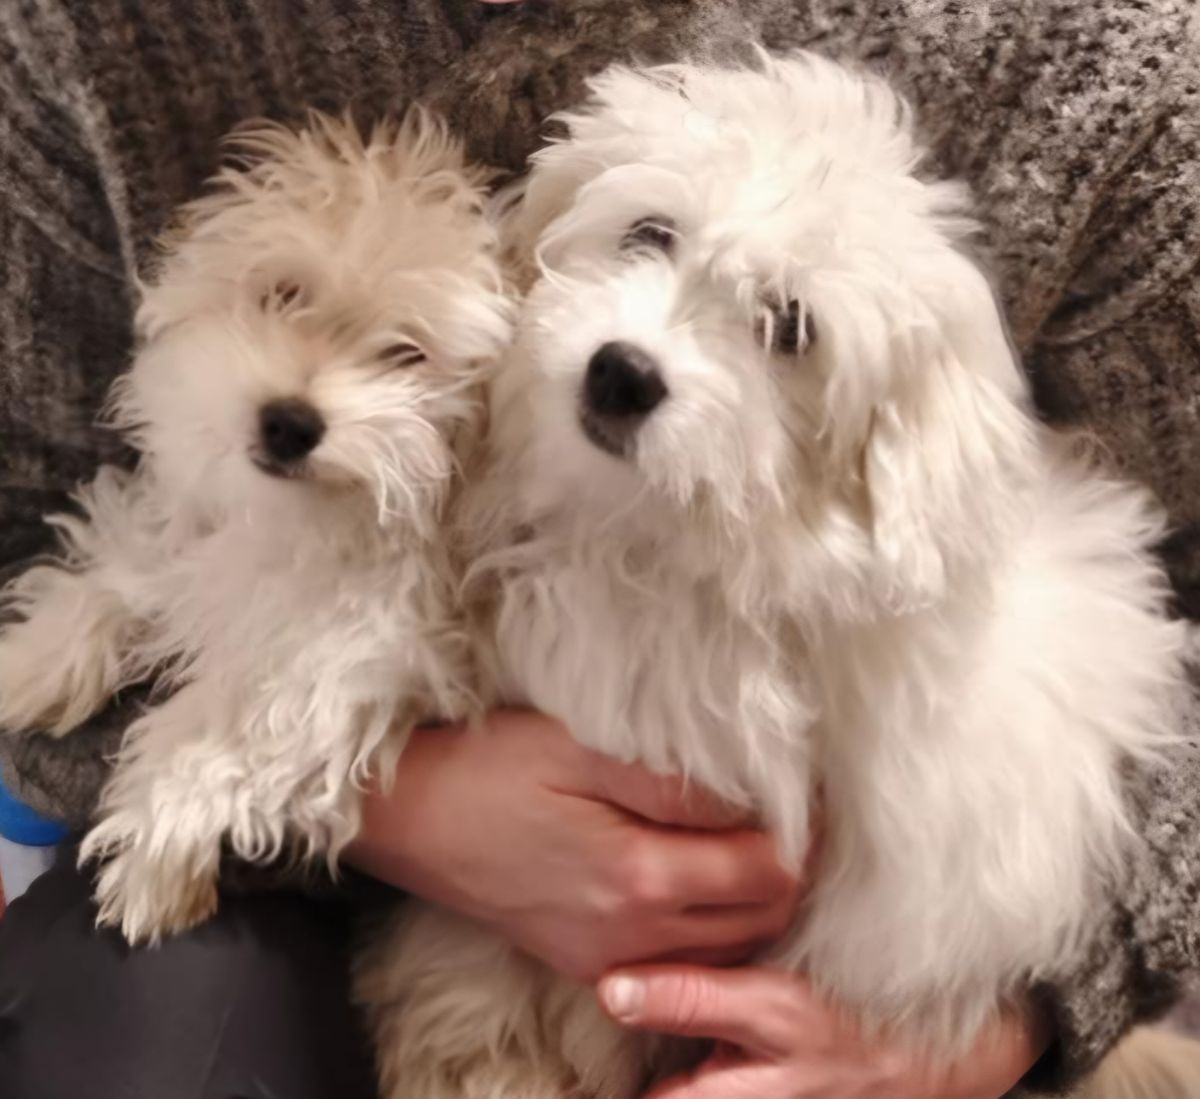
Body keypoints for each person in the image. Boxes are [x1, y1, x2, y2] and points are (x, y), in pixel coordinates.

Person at [0, 2, 1195, 1097]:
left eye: (780, 329)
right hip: (283, 835)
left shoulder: (1110, 64)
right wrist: (385, 801)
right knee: (137, 1019)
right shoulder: (89, 33)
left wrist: (1009, 1028)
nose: (641, 341)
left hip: (863, 983)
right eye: (649, 236)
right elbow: (25, 540)